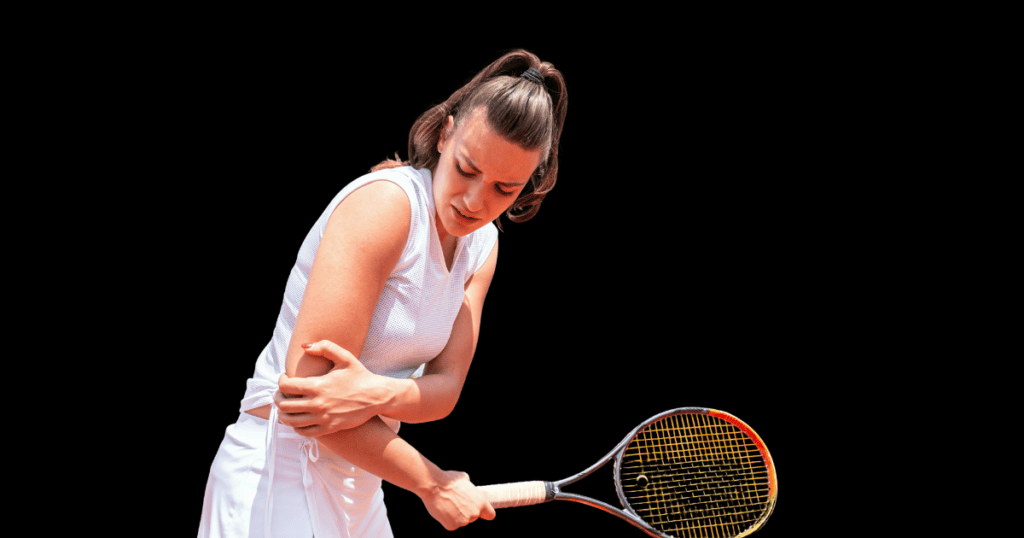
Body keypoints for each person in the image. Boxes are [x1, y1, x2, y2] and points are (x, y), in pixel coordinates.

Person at [198, 49, 568, 538]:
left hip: (363, 482)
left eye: (504, 188)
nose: (475, 201)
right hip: (277, 468)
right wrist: (432, 483)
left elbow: (446, 389)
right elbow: (307, 400)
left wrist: (374, 391)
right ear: (445, 134)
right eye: (466, 168)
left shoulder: (483, 247)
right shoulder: (387, 207)